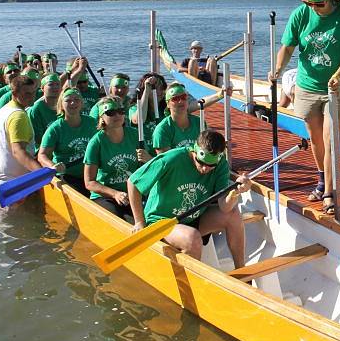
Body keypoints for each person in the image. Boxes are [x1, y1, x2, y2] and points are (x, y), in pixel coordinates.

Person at [271, 0, 340, 214]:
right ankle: (322, 179)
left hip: (335, 88)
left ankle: (330, 192)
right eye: (309, 3)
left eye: (319, 4)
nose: (314, 8)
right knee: (316, 139)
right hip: (307, 86)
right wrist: (278, 68)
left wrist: (339, 75)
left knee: (332, 139)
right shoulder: (300, 15)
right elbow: (288, 46)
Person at [128, 130, 251, 266]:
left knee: (233, 215)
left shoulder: (221, 165)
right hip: (161, 221)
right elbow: (133, 182)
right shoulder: (171, 159)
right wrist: (139, 222)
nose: (205, 169)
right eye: (201, 162)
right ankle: (190, 284)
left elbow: (225, 207)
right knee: (192, 238)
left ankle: (242, 273)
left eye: (211, 166)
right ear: (195, 151)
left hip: (194, 217)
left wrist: (236, 192)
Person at [84, 97, 148, 218]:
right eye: (111, 113)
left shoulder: (136, 135)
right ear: (101, 117)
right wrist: (115, 194)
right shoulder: (96, 143)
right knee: (122, 219)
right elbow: (89, 183)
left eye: (121, 111)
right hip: (106, 197)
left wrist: (149, 159)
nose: (117, 115)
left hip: (133, 193)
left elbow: (149, 170)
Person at [37, 88, 97, 195]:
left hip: (91, 174)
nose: (73, 103)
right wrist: (52, 165)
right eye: (68, 100)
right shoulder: (55, 128)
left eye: (76, 100)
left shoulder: (92, 122)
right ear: (61, 105)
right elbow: (42, 155)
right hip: (68, 176)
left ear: (82, 103)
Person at [0, 75, 41, 192]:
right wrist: (41, 172)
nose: (32, 96)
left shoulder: (4, 109)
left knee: (2, 211)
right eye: (27, 94)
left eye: (33, 92)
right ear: (14, 93)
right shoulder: (18, 116)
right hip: (13, 181)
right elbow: (18, 151)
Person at [152, 83, 201, 154]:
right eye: (175, 99)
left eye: (183, 97)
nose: (180, 101)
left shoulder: (199, 122)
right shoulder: (162, 130)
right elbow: (166, 162)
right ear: (168, 104)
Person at [130, 73, 167, 152]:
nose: (160, 92)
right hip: (144, 155)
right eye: (155, 88)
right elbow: (140, 120)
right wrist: (147, 90)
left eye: (162, 88)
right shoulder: (134, 109)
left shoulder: (166, 109)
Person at [27, 73, 62, 149]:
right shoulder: (35, 110)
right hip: (42, 150)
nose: (55, 87)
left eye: (57, 84)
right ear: (42, 88)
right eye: (51, 84)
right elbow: (38, 140)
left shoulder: (64, 106)